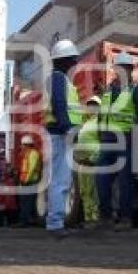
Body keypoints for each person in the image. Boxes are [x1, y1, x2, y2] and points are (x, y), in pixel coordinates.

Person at [97, 52, 138, 231]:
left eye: (125, 68)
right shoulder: (108, 92)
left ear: (130, 70)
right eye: (119, 68)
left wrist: (134, 135)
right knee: (101, 180)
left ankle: (126, 218)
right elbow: (102, 116)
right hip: (107, 140)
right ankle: (106, 217)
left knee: (126, 181)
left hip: (126, 140)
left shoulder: (136, 90)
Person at [45, 39, 83, 238]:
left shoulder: (59, 79)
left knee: (62, 180)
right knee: (60, 181)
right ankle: (55, 224)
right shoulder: (59, 78)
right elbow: (59, 104)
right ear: (65, 60)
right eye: (72, 59)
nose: (75, 62)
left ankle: (56, 222)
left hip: (60, 133)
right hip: (60, 134)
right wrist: (67, 128)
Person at [75, 96, 101, 228]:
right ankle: (88, 218)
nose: (91, 108)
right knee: (84, 191)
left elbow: (102, 143)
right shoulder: (86, 123)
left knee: (93, 191)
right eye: (89, 105)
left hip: (92, 162)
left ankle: (95, 218)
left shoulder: (100, 123)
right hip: (82, 162)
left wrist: (92, 159)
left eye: (94, 105)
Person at [17, 135, 42, 227]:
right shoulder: (28, 153)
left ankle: (25, 221)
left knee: (27, 202)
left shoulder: (33, 154)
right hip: (26, 181)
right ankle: (25, 220)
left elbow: (31, 168)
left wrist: (26, 180)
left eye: (22, 144)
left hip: (30, 181)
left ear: (26, 144)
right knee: (25, 202)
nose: (21, 146)